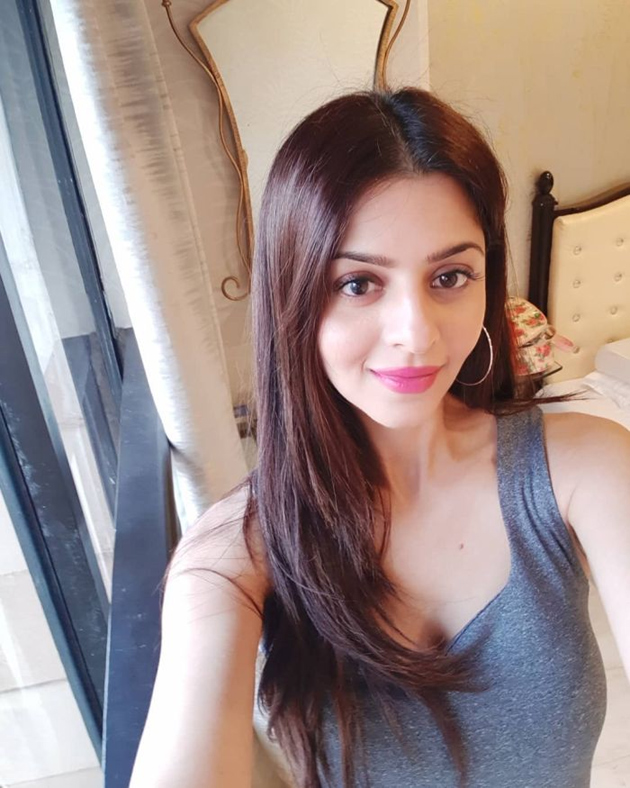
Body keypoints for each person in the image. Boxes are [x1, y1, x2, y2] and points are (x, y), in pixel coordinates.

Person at [130, 88, 630, 788]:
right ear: (294, 298)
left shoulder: (586, 467)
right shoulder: (234, 555)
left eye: (450, 276)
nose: (416, 334)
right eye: (359, 284)